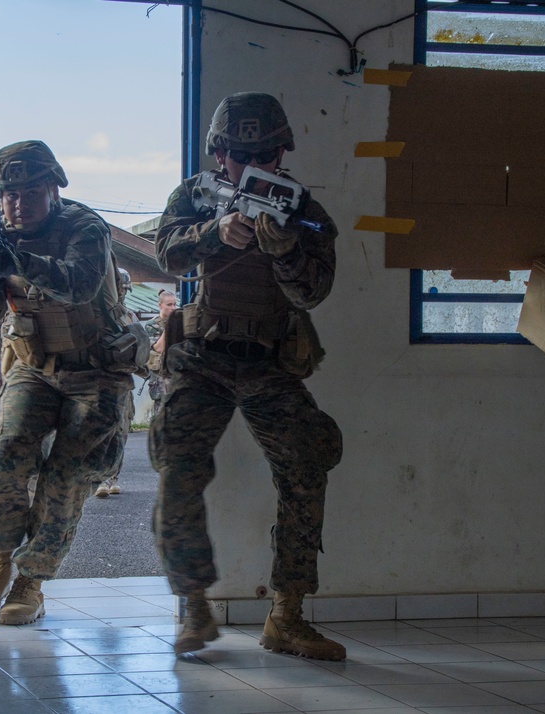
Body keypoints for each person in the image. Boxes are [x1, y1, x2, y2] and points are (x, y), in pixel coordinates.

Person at [148, 92, 345, 660]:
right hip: (202, 355)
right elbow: (166, 254)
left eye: (262, 153)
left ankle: (287, 613)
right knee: (176, 464)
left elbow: (313, 291)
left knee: (308, 459)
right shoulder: (196, 194)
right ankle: (193, 606)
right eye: (238, 153)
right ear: (219, 152)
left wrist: (283, 250)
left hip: (269, 360)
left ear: (281, 150)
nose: (251, 164)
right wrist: (216, 232)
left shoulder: (301, 208)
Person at [0, 140, 142, 625]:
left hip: (97, 369)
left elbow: (78, 284)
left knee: (66, 477)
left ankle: (31, 581)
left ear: (54, 188)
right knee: (4, 457)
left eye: (30, 191)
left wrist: (17, 261)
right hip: (33, 366)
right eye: (8, 194)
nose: (18, 203)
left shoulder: (84, 227)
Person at [95, 268, 140, 499]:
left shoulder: (129, 316)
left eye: (124, 288)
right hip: (98, 383)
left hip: (122, 383)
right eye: (119, 287)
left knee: (120, 432)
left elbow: (142, 354)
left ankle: (113, 476)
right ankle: (101, 478)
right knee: (100, 430)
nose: (121, 292)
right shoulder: (94, 313)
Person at [143, 289, 177, 420]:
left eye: (174, 304)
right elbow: (158, 348)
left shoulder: (178, 323)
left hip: (175, 373)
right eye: (169, 305)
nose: (173, 308)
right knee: (161, 416)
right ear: (160, 305)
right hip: (160, 376)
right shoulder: (152, 325)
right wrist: (169, 326)